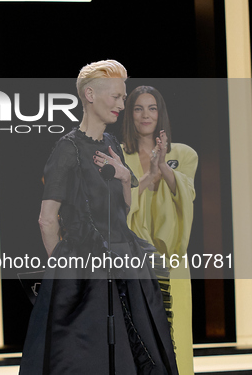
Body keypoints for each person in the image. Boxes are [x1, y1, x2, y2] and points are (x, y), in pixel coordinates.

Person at [19, 60, 178, 374]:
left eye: (123, 96)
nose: (122, 104)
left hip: (125, 262)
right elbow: (46, 219)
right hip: (85, 271)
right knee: (84, 356)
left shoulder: (111, 143)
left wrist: (122, 177)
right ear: (89, 95)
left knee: (138, 354)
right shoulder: (67, 149)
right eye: (116, 96)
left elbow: (126, 207)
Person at [122, 85, 198, 375]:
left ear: (160, 113)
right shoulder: (118, 153)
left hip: (171, 260)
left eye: (152, 108)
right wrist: (147, 176)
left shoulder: (184, 154)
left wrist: (163, 165)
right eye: (138, 108)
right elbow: (120, 204)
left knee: (175, 335)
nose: (145, 115)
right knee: (139, 340)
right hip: (133, 261)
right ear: (130, 114)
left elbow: (185, 196)